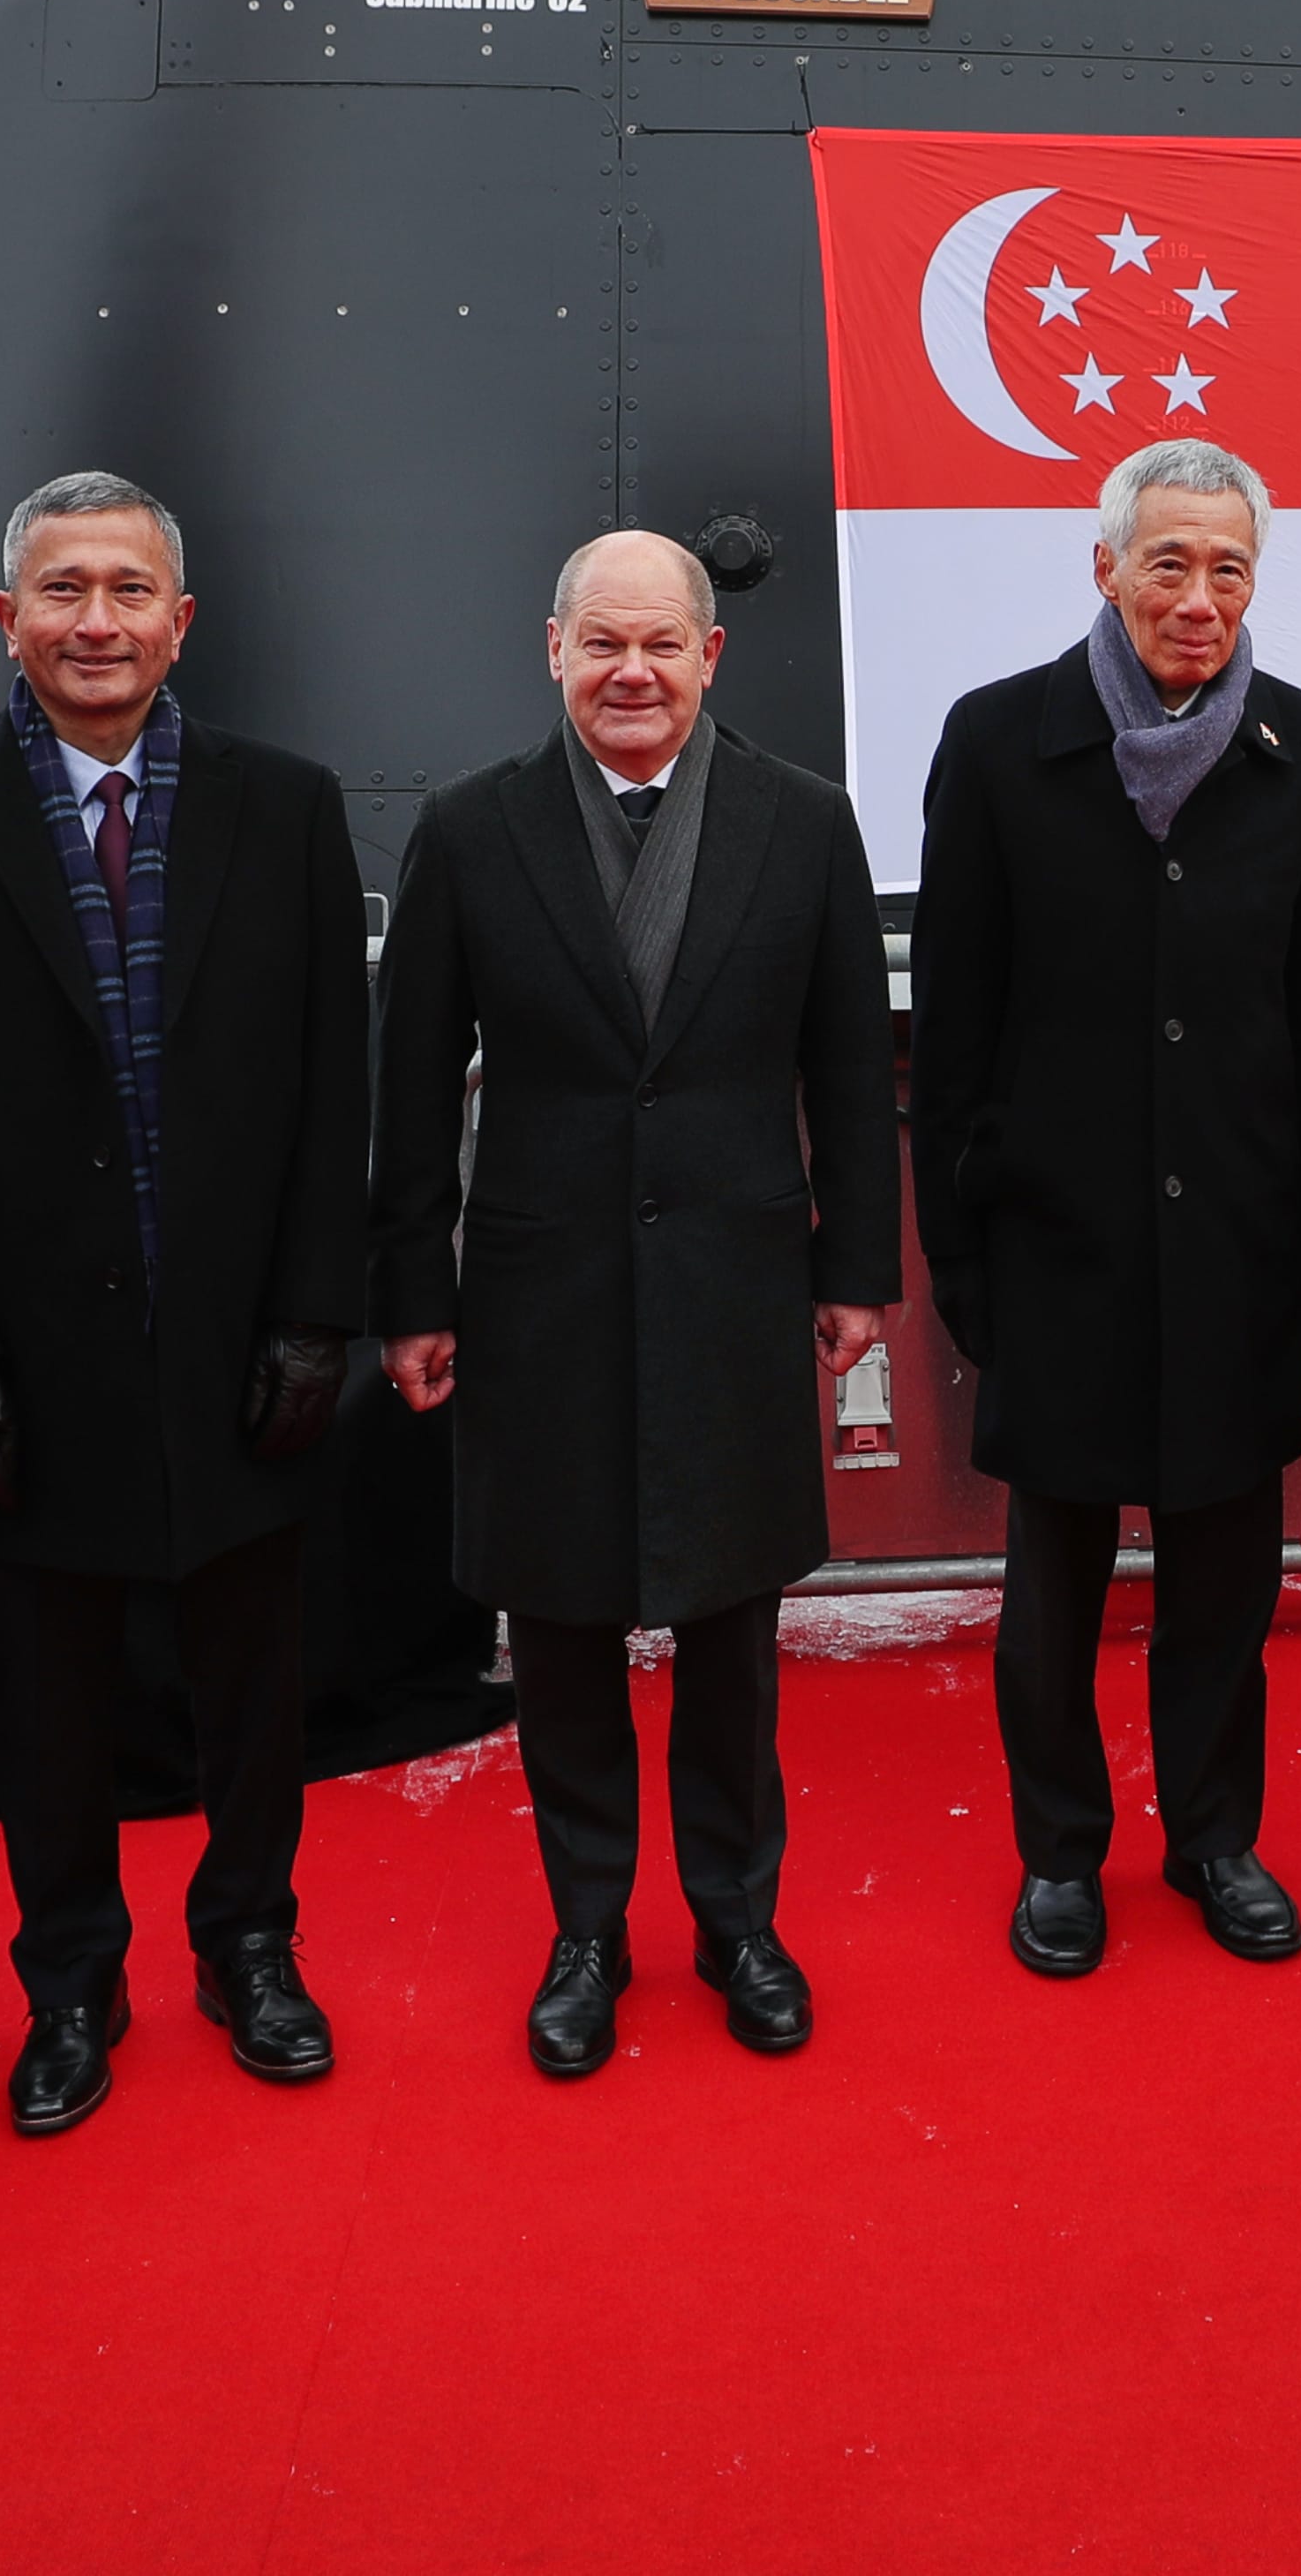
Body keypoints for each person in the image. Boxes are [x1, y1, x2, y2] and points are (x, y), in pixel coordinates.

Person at [0, 474, 370, 2138]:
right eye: (62, 589)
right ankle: (71, 1983)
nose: (97, 621)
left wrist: (313, 1316)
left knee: (250, 1679)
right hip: (26, 1353)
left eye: (130, 590)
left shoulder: (286, 807)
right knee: (51, 1699)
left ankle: (251, 1946)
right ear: (9, 619)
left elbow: (327, 1081)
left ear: (179, 619)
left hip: (236, 1338)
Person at [372, 530, 899, 2078]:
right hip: (541, 1281)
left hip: (737, 1274)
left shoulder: (804, 824)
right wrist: (412, 1291)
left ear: (711, 657)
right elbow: (409, 1089)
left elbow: (850, 1070)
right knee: (564, 1622)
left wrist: (854, 1268)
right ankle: (586, 1926)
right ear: (553, 652)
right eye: (602, 643)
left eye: (663, 644)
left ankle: (741, 1918)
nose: (632, 672)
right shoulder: (473, 832)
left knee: (736, 1623)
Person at [907, 438, 1301, 1979]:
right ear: (1104, 568)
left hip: (1239, 1247)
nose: (1199, 596)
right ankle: (1060, 1856)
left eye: (1229, 567)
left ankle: (1217, 1842)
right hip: (1058, 1249)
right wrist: (964, 1256)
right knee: (1052, 1585)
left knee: (1230, 1582)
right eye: (1168, 562)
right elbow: (953, 1029)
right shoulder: (993, 742)